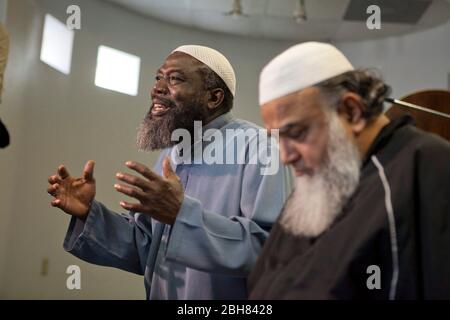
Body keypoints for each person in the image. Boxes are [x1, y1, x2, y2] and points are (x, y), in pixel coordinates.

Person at [47, 45, 290, 299]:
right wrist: (89, 214)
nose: (158, 89)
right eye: (158, 77)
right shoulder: (171, 154)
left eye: (174, 79)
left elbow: (271, 250)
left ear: (214, 97)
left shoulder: (259, 147)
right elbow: (148, 246)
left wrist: (182, 216)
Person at [248, 42, 450, 299]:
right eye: (276, 138)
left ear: (351, 112)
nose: (285, 157)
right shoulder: (321, 180)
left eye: (296, 133)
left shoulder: (428, 166)